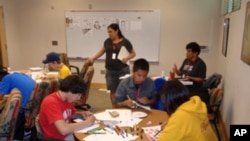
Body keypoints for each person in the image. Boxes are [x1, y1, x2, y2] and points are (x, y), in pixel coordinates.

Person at [88, 23, 136, 107]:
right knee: (112, 91)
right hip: (110, 71)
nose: (109, 34)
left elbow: (133, 53)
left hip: (122, 70)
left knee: (123, 90)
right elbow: (101, 51)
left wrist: (127, 58)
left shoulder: (125, 41)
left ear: (116, 31)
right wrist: (93, 58)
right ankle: (114, 107)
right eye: (108, 32)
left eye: (111, 32)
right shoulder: (107, 41)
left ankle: (124, 107)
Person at [38, 75, 96, 140]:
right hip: (56, 138)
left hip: (67, 133)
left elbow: (70, 114)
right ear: (70, 91)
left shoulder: (67, 99)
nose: (79, 98)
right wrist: (88, 122)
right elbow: (64, 130)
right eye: (78, 94)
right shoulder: (51, 102)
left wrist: (82, 114)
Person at [0, 70, 36, 140]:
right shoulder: (19, 75)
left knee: (3, 108)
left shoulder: (7, 78)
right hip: (32, 105)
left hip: (22, 108)